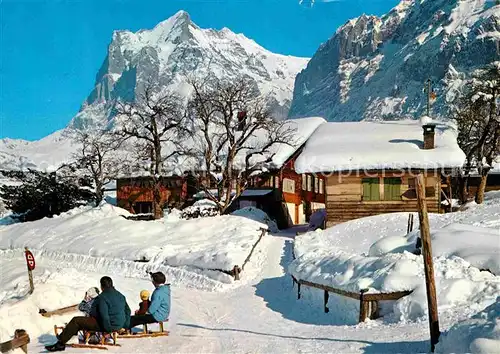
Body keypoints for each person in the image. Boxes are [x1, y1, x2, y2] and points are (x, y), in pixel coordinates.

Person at [45, 276, 131, 352]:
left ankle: (60, 343)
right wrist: (125, 325)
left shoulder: (102, 297)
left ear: (102, 286)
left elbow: (104, 316)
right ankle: (68, 338)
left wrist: (107, 330)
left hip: (108, 326)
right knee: (87, 320)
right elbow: (128, 311)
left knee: (76, 321)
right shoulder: (121, 295)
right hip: (119, 325)